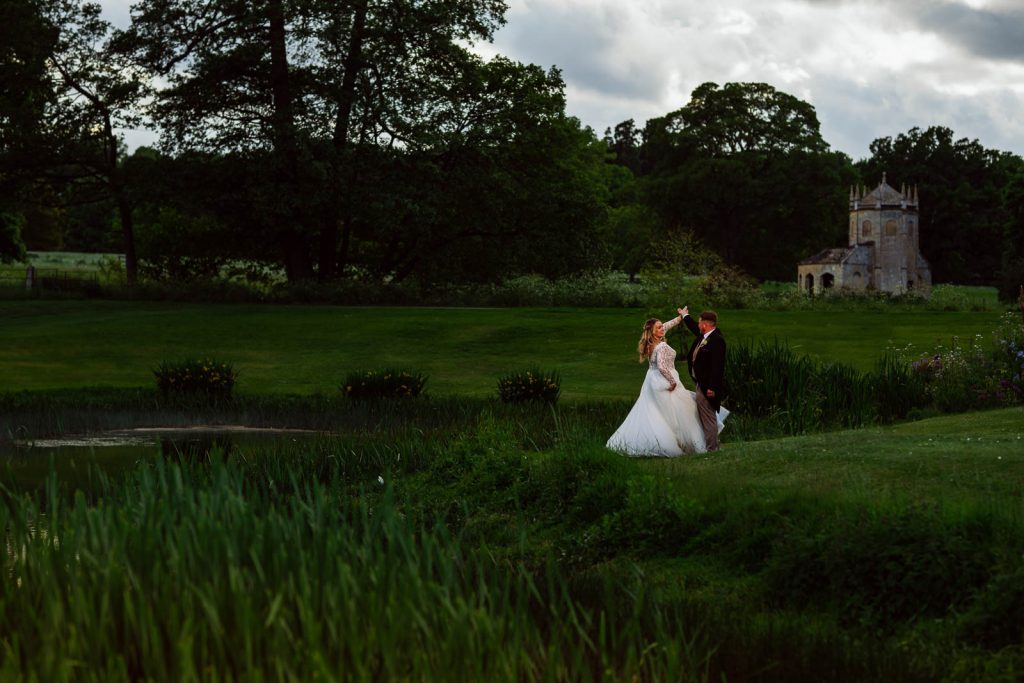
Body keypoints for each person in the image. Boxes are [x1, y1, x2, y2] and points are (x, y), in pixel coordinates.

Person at [606, 312, 709, 457]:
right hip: (664, 379)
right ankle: (682, 444)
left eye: (662, 327)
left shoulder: (651, 342)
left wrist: (680, 318)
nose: (663, 329)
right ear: (653, 332)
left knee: (655, 411)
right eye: (659, 328)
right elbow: (662, 366)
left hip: (652, 379)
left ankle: (677, 442)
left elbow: (666, 325)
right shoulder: (660, 346)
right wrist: (672, 381)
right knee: (678, 412)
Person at [679, 306, 727, 451]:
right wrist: (685, 316)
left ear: (705, 325)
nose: (698, 325)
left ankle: (712, 449)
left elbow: (717, 366)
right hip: (701, 383)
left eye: (700, 323)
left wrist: (712, 387)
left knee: (708, 418)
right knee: (706, 417)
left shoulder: (717, 340)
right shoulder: (704, 336)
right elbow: (694, 327)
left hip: (708, 386)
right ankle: (712, 446)